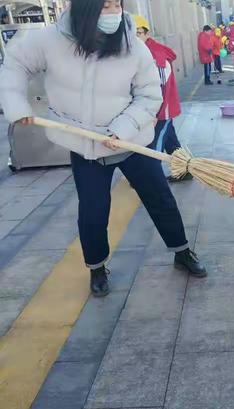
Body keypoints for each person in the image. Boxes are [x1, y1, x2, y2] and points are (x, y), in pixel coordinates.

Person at [0, 0, 207, 297]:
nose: (114, 13)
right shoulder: (50, 40)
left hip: (131, 141)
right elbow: (15, 63)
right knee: (93, 212)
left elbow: (150, 96)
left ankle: (182, 251)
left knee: (160, 198)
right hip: (85, 146)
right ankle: (96, 268)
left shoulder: (133, 46)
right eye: (107, 5)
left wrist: (121, 129)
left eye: (117, 5)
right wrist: (16, 106)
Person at [134, 14, 192, 183]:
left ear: (147, 34)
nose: (135, 38)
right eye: (131, 33)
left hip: (161, 110)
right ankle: (184, 169)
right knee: (171, 141)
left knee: (155, 145)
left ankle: (151, 178)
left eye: (138, 33)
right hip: (157, 109)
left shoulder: (155, 56)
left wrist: (155, 114)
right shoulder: (142, 52)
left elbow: (161, 87)